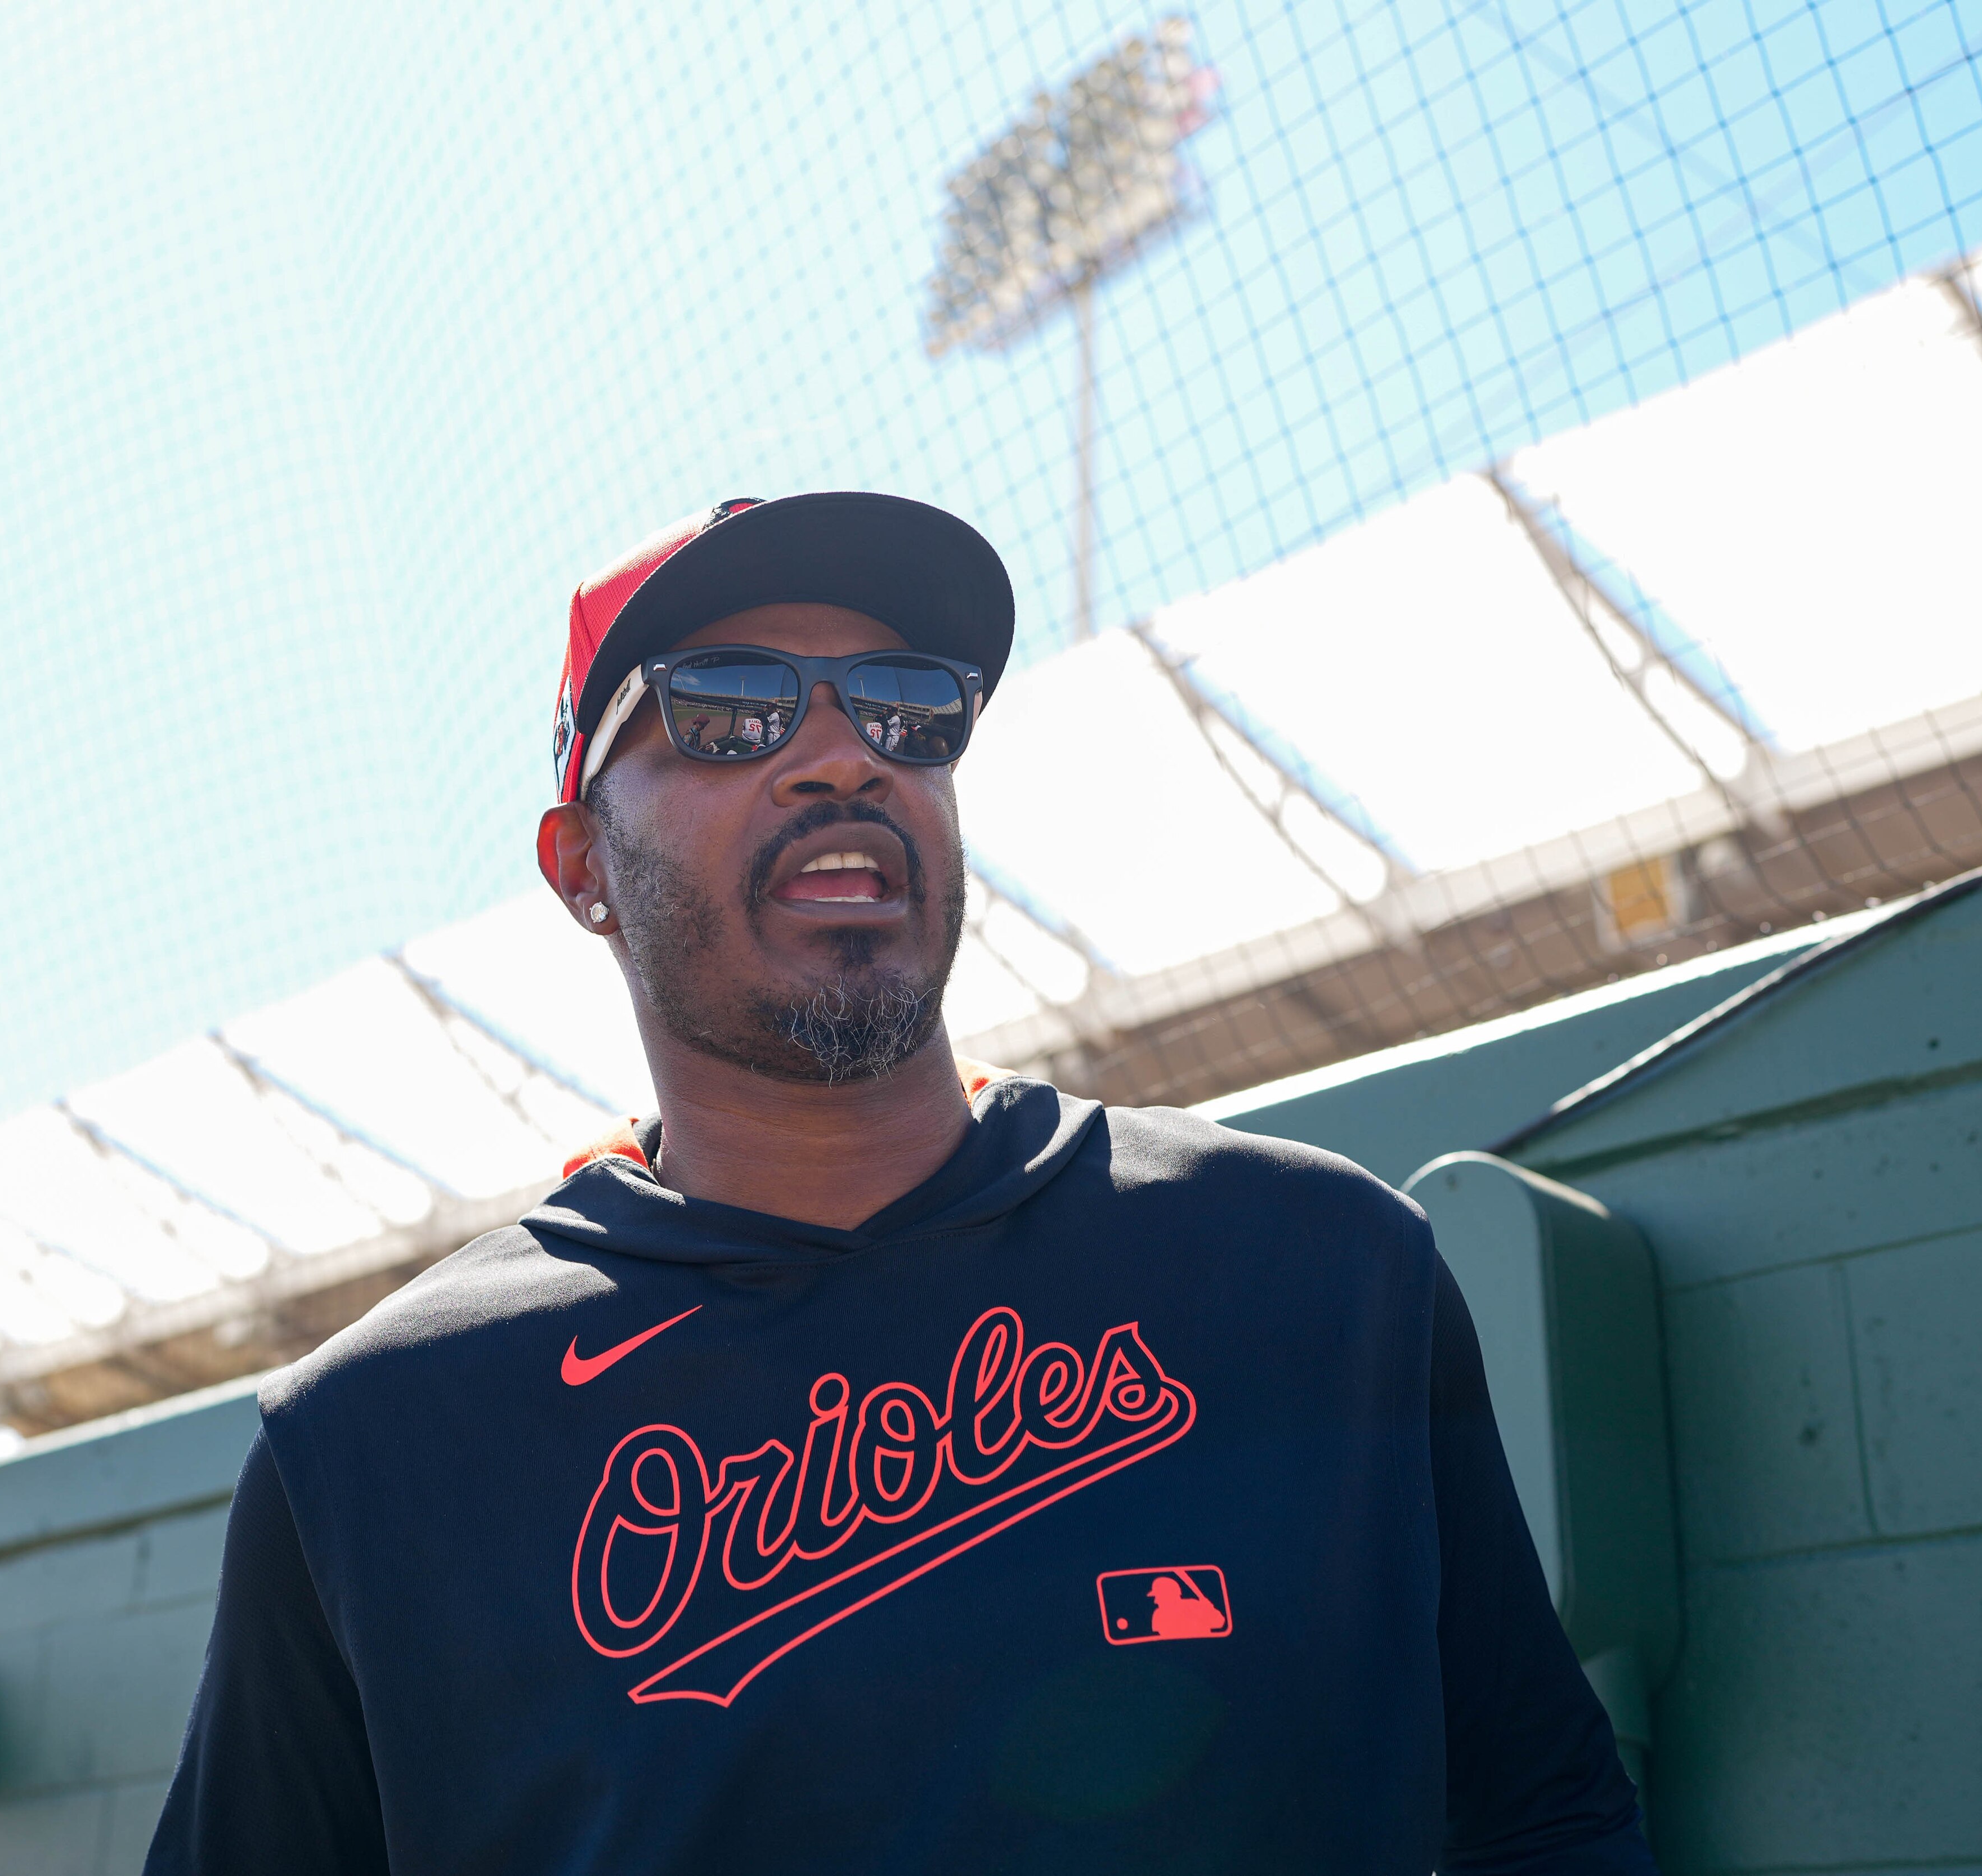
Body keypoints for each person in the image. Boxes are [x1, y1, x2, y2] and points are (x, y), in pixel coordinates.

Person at [148, 492, 1652, 1872]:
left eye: (906, 704)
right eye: (727, 707)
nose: (839, 750)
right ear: (580, 863)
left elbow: (1547, 1810)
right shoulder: (376, 1445)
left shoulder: (1325, 1267)